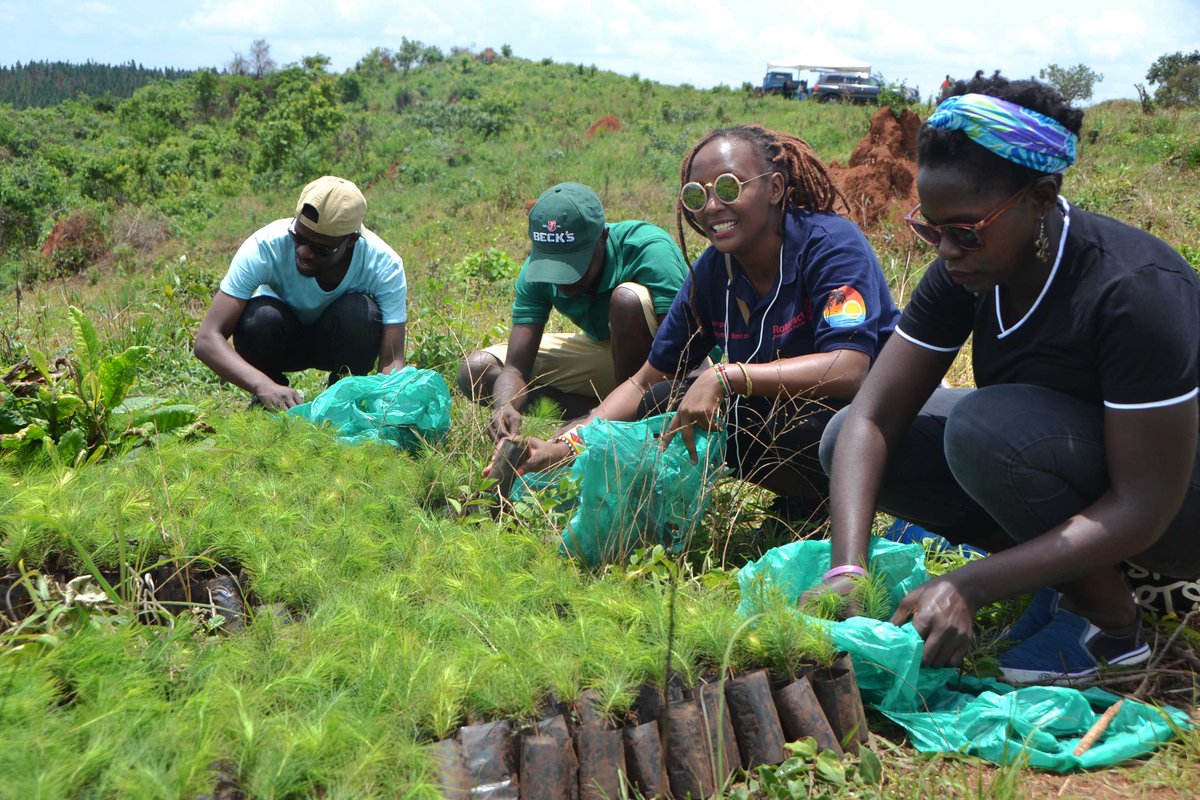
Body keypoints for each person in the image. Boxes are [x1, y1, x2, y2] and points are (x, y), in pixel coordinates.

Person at [817, 74, 1200, 685]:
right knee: (844, 437)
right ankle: (1058, 577)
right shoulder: (968, 268)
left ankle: (1108, 623)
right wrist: (847, 570)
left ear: (1042, 198)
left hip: (1171, 516)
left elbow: (1144, 503)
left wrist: (969, 583)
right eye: (930, 229)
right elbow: (871, 417)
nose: (945, 250)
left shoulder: (1134, 290)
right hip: (1077, 480)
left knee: (983, 427)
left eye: (964, 231)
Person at [494, 125, 899, 528]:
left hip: (877, 424)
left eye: (728, 187)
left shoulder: (829, 244)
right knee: (661, 399)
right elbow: (641, 382)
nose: (711, 206)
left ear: (775, 188)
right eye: (696, 195)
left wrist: (726, 377)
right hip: (791, 420)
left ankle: (830, 504)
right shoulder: (712, 272)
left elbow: (849, 368)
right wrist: (561, 446)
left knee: (806, 427)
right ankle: (803, 502)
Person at [458, 182, 689, 439]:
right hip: (610, 356)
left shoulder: (647, 251)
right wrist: (505, 406)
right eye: (553, 268)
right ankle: (596, 414)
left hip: (665, 366)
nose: (562, 282)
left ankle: (619, 424)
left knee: (627, 301)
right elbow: (515, 368)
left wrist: (594, 420)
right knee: (477, 371)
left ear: (603, 238)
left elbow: (686, 355)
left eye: (573, 267)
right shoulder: (536, 271)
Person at [195, 176, 407, 409]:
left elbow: (392, 358)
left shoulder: (383, 264)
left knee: (361, 314)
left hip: (337, 344)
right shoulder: (266, 246)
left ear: (351, 241)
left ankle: (344, 398)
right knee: (259, 318)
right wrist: (262, 385)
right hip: (282, 340)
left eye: (320, 249)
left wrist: (386, 408)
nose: (304, 252)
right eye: (298, 238)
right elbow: (207, 339)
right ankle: (273, 400)